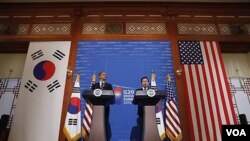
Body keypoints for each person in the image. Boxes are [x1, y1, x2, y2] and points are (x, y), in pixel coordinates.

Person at [91, 71, 113, 140]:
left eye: (105, 75)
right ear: (99, 76)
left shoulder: (109, 86)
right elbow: (91, 95)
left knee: (105, 123)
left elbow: (111, 95)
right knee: (96, 124)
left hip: (106, 107)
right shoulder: (94, 85)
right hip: (96, 108)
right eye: (103, 75)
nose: (105, 76)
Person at [136, 76, 150, 141]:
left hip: (151, 114)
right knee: (142, 129)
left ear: (148, 82)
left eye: (146, 81)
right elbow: (135, 101)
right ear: (141, 83)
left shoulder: (152, 91)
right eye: (143, 81)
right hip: (141, 113)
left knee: (150, 129)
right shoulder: (138, 91)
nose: (145, 83)